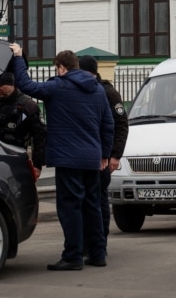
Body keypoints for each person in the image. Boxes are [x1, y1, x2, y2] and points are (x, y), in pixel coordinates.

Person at [9, 43, 114, 271]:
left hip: (68, 158)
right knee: (92, 205)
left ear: (61, 67)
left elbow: (26, 85)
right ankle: (98, 253)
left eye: (56, 68)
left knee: (70, 207)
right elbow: (108, 124)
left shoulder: (57, 87)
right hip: (92, 158)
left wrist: (18, 57)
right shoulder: (98, 90)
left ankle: (73, 256)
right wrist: (105, 154)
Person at [78, 55, 129, 243]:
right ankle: (87, 240)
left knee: (98, 201)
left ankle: (100, 240)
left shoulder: (108, 93)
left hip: (103, 156)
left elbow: (121, 124)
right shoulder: (83, 90)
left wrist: (115, 155)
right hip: (88, 155)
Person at [0, 72, 46, 177]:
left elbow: (40, 136)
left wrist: (37, 165)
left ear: (12, 85)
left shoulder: (28, 106)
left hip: (17, 161)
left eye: (1, 85)